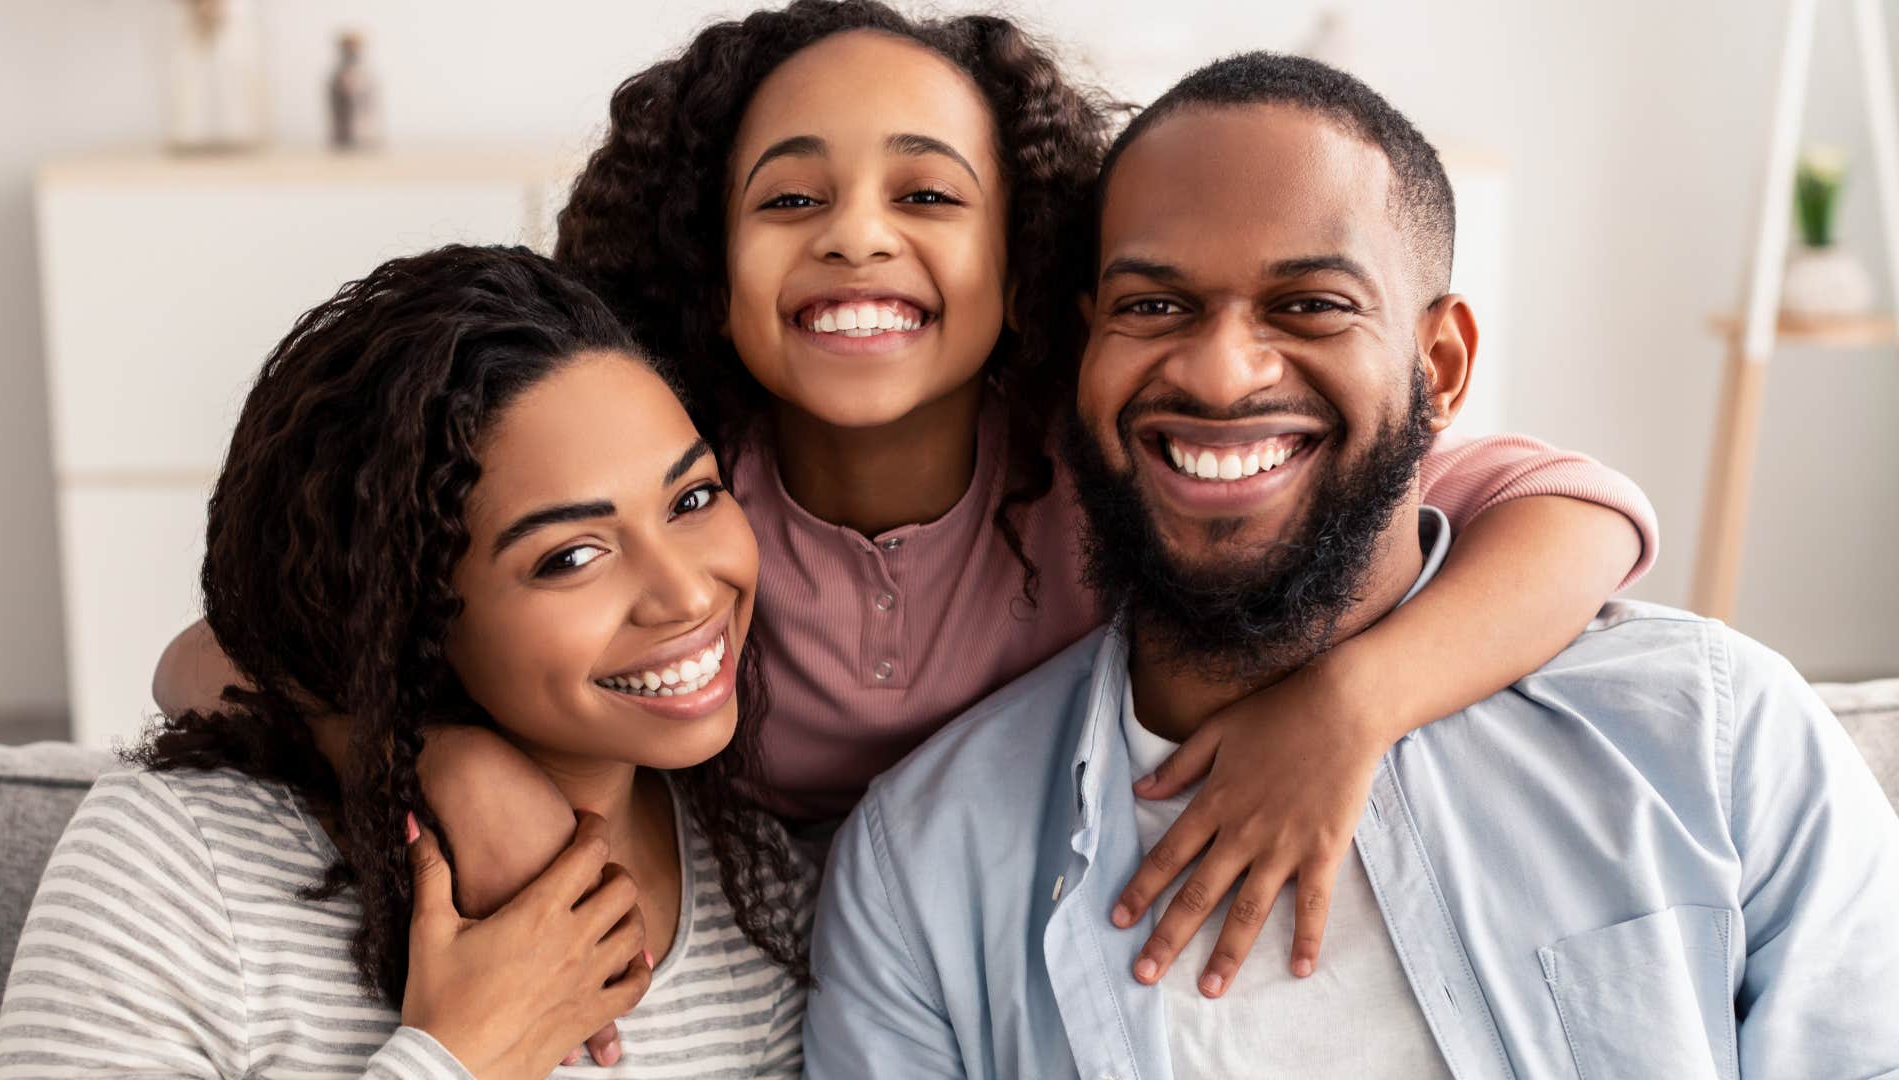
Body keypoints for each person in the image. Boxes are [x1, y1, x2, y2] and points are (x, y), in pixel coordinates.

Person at [158, 0, 1660, 988]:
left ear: (1029, 260)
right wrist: (428, 749)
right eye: (791, 198)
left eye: (929, 196)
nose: (858, 239)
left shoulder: (1120, 462)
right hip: (789, 960)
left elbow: (1575, 509)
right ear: (707, 258)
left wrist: (1350, 704)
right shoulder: (685, 496)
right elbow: (212, 653)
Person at [804, 52, 1899, 1079]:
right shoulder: (923, 870)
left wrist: (1351, 703)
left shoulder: (1715, 738)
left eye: (1309, 305)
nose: (1224, 373)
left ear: (1441, 365)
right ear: (1086, 349)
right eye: (1154, 305)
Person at [0, 246, 810, 1079]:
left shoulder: (760, 893)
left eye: (693, 498)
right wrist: (467, 1054)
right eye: (570, 556)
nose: (683, 594)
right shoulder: (181, 864)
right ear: (410, 608)